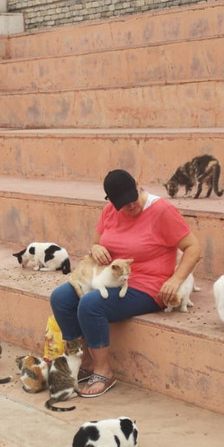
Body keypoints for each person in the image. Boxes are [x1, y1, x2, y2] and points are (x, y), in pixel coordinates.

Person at [50, 169, 202, 396]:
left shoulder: (162, 210)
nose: (131, 206)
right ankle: (85, 361)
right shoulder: (109, 211)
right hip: (109, 278)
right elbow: (96, 242)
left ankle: (104, 371)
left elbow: (193, 247)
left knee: (91, 304)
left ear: (137, 184)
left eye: (133, 198)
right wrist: (96, 248)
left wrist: (176, 279)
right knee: (60, 298)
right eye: (123, 204)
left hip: (147, 286)